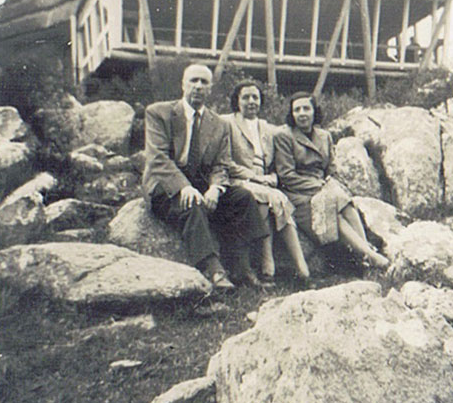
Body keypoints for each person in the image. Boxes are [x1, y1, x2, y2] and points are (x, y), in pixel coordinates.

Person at [142, 63, 269, 289]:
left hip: (201, 184)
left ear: (210, 89)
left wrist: (215, 188)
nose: (198, 86)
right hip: (166, 185)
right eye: (194, 81)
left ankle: (242, 268)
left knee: (242, 198)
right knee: (192, 204)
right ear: (183, 84)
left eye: (204, 82)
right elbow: (158, 158)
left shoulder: (218, 123)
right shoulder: (159, 113)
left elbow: (221, 163)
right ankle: (213, 270)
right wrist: (183, 186)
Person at [273, 92, 389, 268]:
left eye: (306, 108)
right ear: (292, 114)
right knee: (333, 213)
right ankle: (370, 255)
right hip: (298, 193)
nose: (302, 113)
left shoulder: (324, 135)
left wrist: (329, 183)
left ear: (314, 111)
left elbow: (331, 167)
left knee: (345, 202)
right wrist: (319, 186)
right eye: (297, 110)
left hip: (322, 187)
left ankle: (366, 251)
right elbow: (286, 175)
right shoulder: (284, 136)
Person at [222, 80, 310, 285]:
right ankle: (272, 262)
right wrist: (255, 177)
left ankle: (299, 268)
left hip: (263, 184)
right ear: (237, 101)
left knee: (270, 200)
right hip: (239, 180)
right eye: (246, 97)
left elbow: (276, 163)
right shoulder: (227, 122)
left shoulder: (267, 127)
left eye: (255, 97)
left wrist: (273, 177)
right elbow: (225, 161)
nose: (251, 101)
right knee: (276, 198)